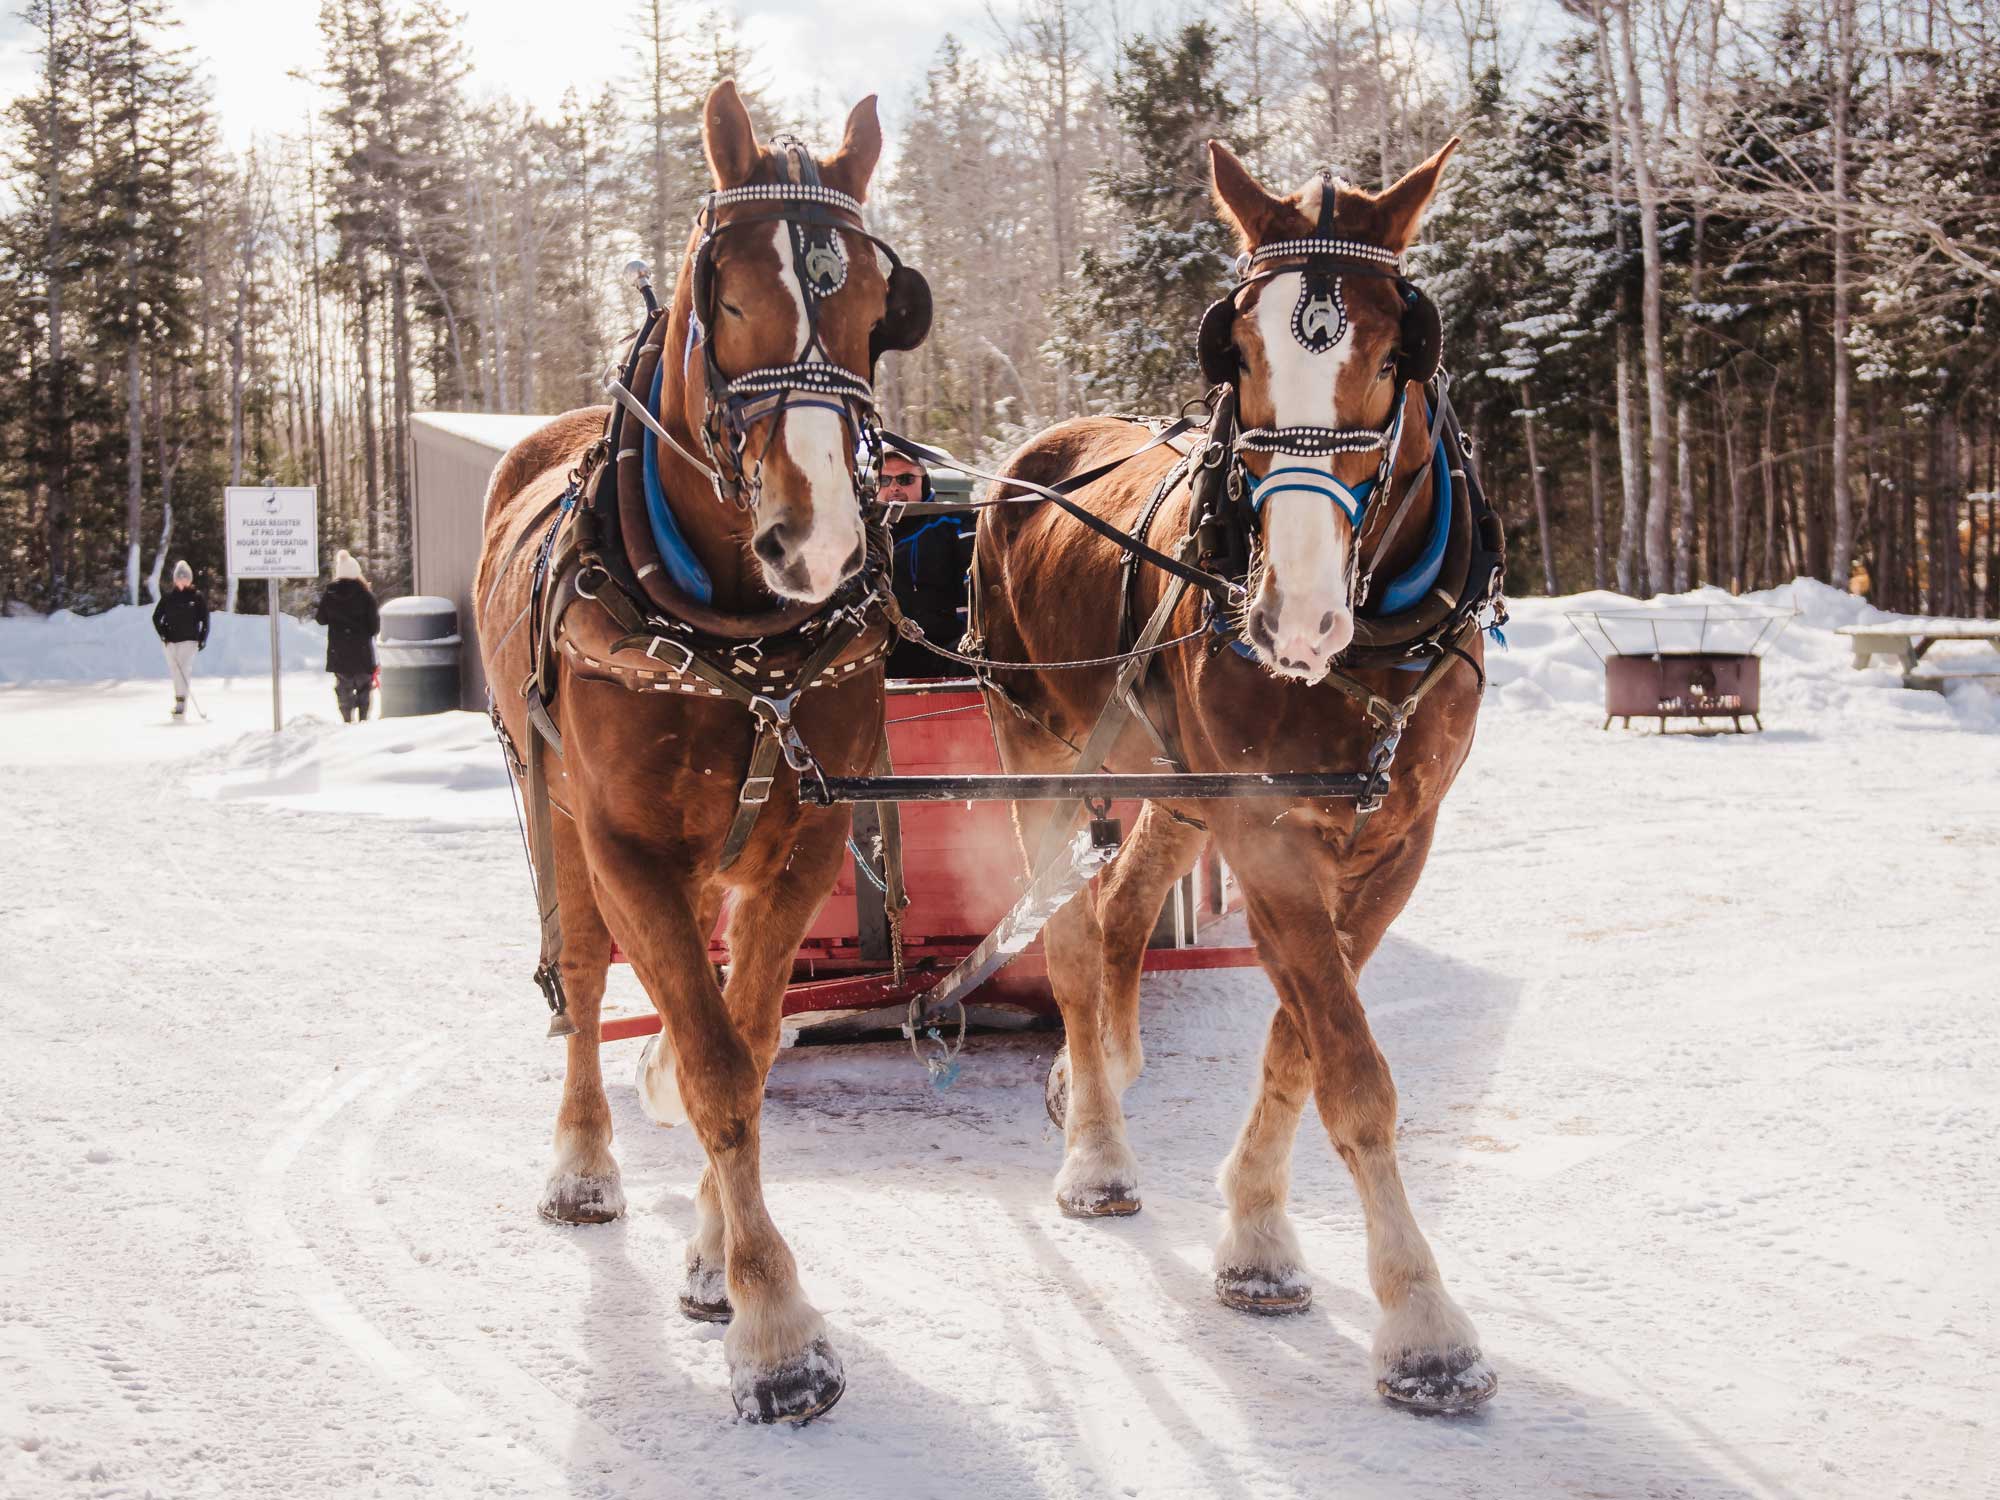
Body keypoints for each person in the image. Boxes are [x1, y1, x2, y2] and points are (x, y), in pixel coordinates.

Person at [882, 453, 975, 679]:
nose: (894, 487)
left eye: (905, 479)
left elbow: (978, 590)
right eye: (885, 480)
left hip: (950, 657)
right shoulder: (863, 534)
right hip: (883, 664)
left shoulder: (955, 521)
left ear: (924, 482)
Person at [314, 550, 381, 723]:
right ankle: (364, 720)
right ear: (356, 572)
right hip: (362, 652)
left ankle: (347, 722)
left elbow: (320, 619)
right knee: (364, 689)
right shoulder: (366, 596)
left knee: (343, 688)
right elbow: (374, 627)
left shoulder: (330, 594)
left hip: (339, 652)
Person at [151, 559, 210, 719]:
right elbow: (156, 617)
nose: (182, 580)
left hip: (190, 640)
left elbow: (204, 619)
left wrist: (202, 637)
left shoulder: (196, 597)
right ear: (175, 579)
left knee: (184, 669)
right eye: (179, 577)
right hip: (171, 642)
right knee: (175, 671)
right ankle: (178, 699)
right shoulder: (169, 597)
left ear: (189, 579)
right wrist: (163, 634)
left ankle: (181, 703)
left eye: (185, 577)